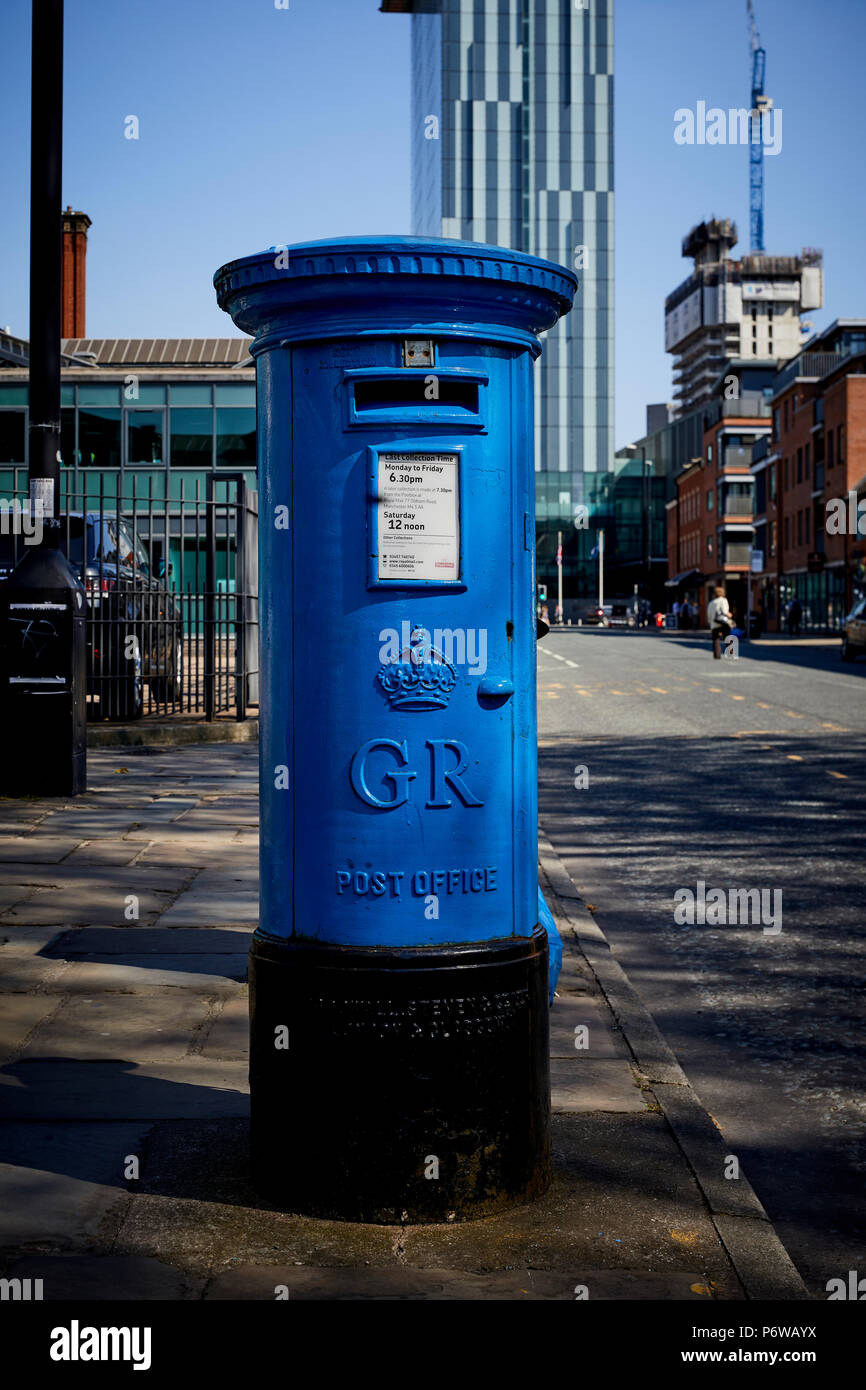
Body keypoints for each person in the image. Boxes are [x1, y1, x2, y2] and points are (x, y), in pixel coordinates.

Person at [706, 585, 732, 659]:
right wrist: (729, 614)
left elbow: (709, 614)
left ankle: (717, 655)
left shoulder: (711, 603)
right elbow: (724, 611)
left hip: (714, 624)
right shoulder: (723, 600)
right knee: (727, 636)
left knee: (716, 639)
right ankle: (730, 652)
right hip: (723, 623)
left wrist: (710, 622)